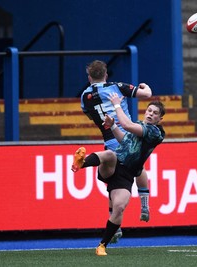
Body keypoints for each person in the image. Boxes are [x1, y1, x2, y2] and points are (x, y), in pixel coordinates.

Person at [71, 94, 166, 256]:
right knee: (110, 154)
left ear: (160, 119)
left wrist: (116, 105)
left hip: (126, 175)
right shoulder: (139, 124)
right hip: (114, 166)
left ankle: (102, 245)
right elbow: (124, 140)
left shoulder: (155, 132)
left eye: (155, 113)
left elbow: (127, 125)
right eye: (149, 110)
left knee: (119, 207)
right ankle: (81, 163)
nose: (150, 114)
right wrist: (113, 126)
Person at [81, 60, 152, 243]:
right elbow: (146, 94)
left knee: (113, 180)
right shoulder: (116, 87)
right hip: (128, 136)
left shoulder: (84, 96)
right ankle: (144, 205)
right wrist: (144, 85)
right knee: (138, 168)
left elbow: (90, 115)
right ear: (106, 74)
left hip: (109, 140)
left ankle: (116, 225)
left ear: (89, 77)